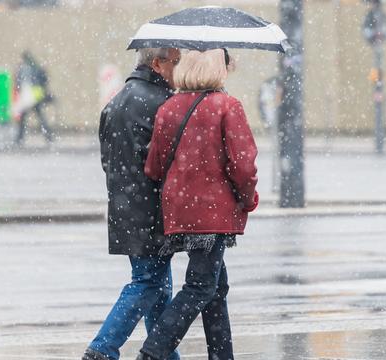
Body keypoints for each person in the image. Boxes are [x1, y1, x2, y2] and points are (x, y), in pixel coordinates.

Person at [136, 49, 259, 360]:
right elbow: (242, 165)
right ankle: (152, 352)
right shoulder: (227, 106)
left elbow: (154, 167)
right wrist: (248, 199)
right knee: (200, 287)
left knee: (216, 289)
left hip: (181, 212)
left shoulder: (169, 107)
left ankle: (222, 355)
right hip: (214, 214)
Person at [83, 47, 182, 360]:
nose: (179, 69)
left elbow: (106, 161)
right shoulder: (161, 103)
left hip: (125, 208)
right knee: (148, 283)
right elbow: (167, 163)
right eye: (175, 62)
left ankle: (162, 354)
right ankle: (103, 348)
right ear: (157, 63)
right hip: (151, 210)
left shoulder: (118, 100)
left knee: (157, 287)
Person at [14, 50, 55, 146]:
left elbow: (19, 82)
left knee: (25, 118)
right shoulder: (35, 67)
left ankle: (20, 138)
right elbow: (44, 79)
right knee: (40, 117)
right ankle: (48, 136)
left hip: (28, 96)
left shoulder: (24, 68)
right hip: (35, 96)